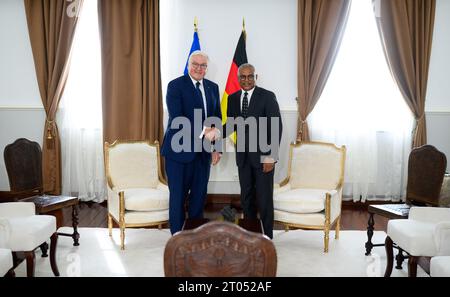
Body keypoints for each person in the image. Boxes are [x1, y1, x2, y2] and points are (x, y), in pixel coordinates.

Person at [211, 63, 282, 239]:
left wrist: (270, 157)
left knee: (264, 201)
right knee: (246, 199)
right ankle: (250, 237)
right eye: (243, 76)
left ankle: (267, 238)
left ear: (255, 77)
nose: (247, 80)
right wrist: (218, 132)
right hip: (243, 157)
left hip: (263, 158)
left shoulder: (267, 96)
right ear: (238, 79)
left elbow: (276, 127)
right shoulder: (234, 98)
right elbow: (233, 124)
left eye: (250, 76)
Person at [161, 51, 222, 234]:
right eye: (195, 64)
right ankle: (177, 242)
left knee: (198, 199)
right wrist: (206, 132)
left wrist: (216, 148)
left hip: (202, 154)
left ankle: (195, 240)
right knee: (178, 199)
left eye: (203, 65)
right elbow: (179, 119)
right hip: (178, 153)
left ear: (206, 68)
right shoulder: (175, 86)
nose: (198, 68)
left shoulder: (213, 87)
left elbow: (216, 119)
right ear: (188, 65)